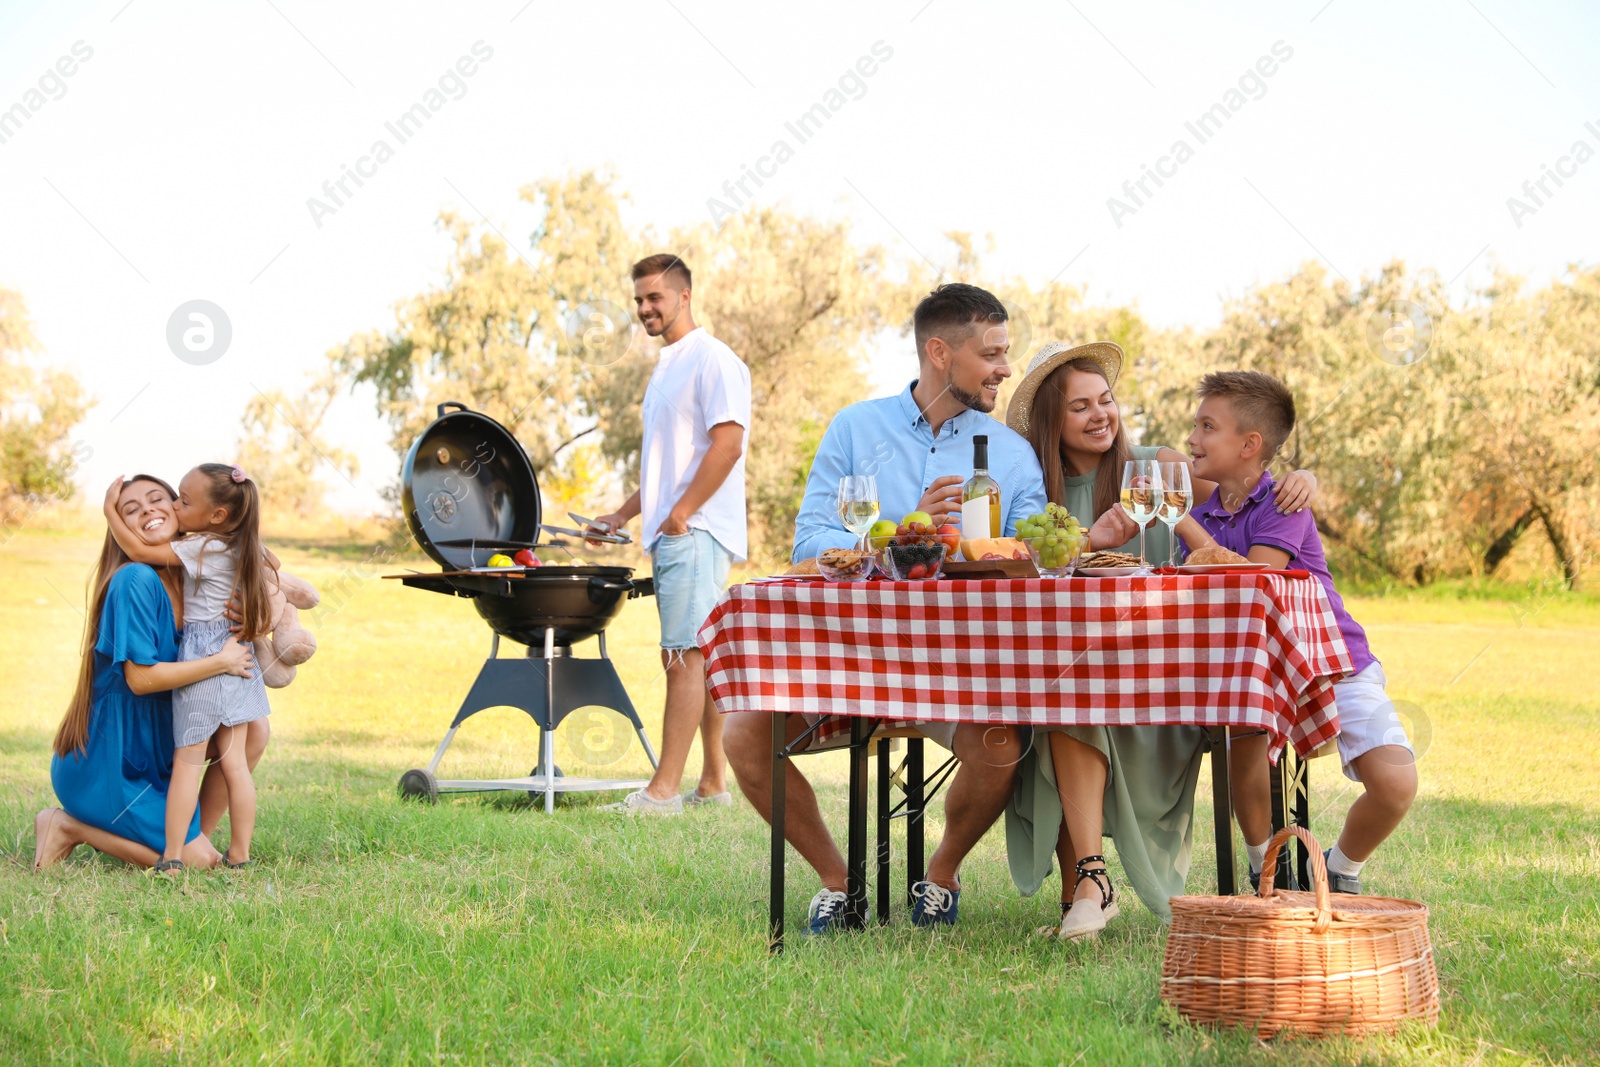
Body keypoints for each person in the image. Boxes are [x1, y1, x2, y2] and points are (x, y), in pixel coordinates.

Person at [724, 282, 1048, 933]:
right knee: (744, 736)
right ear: (939, 351)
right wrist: (907, 527)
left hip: (958, 670)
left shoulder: (1009, 454)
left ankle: (942, 874)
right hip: (847, 664)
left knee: (1002, 745)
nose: (1006, 369)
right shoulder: (856, 428)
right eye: (991, 354)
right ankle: (839, 882)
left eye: (1006, 353)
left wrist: (1004, 553)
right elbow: (812, 544)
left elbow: (1032, 559)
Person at [1002, 342, 1320, 940]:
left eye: (1106, 400)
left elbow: (1248, 487)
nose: (1101, 415)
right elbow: (1022, 579)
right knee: (1069, 695)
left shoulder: (1156, 466)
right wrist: (1090, 542)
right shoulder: (1034, 497)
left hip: (1167, 687)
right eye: (1079, 407)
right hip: (1082, 679)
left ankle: (1089, 889)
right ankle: (1091, 883)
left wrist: (1302, 477)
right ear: (1051, 420)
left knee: (1072, 698)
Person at [1170, 370, 1416, 894]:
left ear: (1249, 444)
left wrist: (1179, 523)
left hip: (1331, 662)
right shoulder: (1205, 511)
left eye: (1207, 426)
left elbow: (1259, 578)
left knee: (1396, 784)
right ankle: (1269, 872)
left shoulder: (1284, 503)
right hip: (1253, 669)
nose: (1193, 437)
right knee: (1246, 748)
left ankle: (1340, 868)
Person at [34, 474, 269, 872]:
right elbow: (140, 680)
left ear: (180, 506)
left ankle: (197, 839)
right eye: (130, 509)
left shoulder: (194, 575)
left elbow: (261, 565)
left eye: (157, 498)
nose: (147, 511)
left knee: (254, 729)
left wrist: (253, 618)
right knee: (200, 865)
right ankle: (68, 826)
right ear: (121, 528)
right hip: (112, 763)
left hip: (159, 752)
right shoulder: (135, 579)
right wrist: (219, 662)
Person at [589, 254, 751, 815]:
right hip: (678, 530)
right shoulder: (667, 366)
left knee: (682, 653)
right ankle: (712, 783)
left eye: (654, 297)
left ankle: (662, 792)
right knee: (696, 653)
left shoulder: (713, 360)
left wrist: (682, 513)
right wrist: (622, 515)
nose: (644, 309)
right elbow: (671, 463)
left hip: (697, 530)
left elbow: (727, 445)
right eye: (638, 299)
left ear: (684, 295)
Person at [103, 464, 276, 872]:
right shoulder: (239, 545)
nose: (177, 507)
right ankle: (241, 854)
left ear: (217, 516)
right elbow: (274, 564)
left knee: (188, 762)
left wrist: (111, 513)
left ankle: (173, 855)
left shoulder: (201, 549)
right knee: (234, 765)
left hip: (208, 654)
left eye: (182, 500)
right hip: (239, 654)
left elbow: (140, 551)